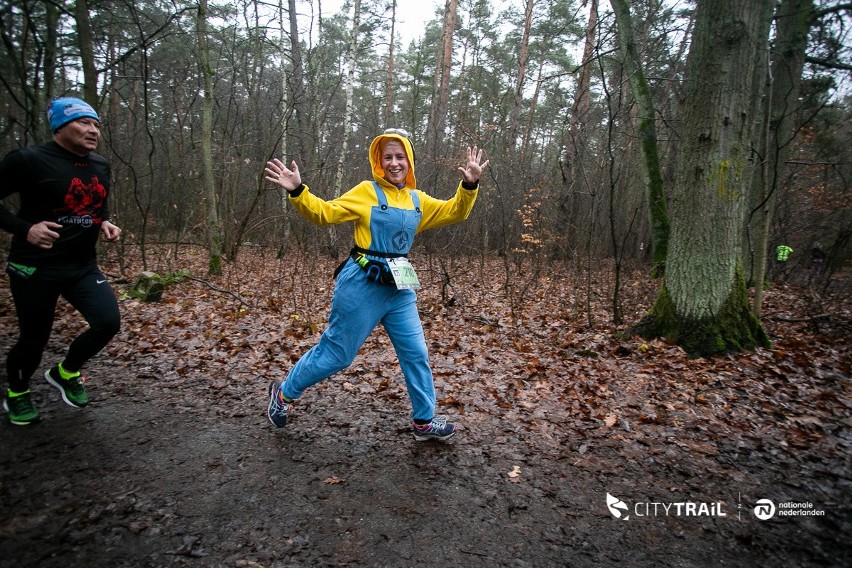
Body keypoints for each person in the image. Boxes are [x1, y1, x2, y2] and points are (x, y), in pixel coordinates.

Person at [264, 129, 488, 441]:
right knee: (338, 355)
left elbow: (456, 211)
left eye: (400, 157)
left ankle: (424, 421)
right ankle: (284, 394)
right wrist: (298, 190)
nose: (395, 163)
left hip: (399, 286)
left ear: (409, 162)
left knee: (416, 352)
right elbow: (324, 214)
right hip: (361, 283)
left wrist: (469, 185)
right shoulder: (366, 192)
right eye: (388, 157)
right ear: (379, 162)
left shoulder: (417, 200)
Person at [0, 97, 122, 426]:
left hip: (81, 266)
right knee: (33, 338)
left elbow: (98, 203)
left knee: (108, 323)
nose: (92, 130)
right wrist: (25, 229)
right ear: (60, 127)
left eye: (96, 124)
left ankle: (65, 371)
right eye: (83, 122)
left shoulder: (100, 165)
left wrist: (105, 222)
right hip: (34, 267)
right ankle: (17, 393)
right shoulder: (27, 159)